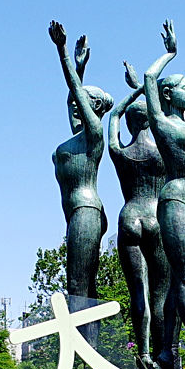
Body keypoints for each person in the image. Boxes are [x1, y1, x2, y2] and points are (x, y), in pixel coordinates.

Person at [138, 17, 185, 369]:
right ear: (169, 95)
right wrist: (170, 53)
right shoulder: (162, 124)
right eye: (181, 87)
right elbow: (150, 80)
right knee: (183, 281)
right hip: (176, 201)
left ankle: (166, 351)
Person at [49, 21, 113, 336]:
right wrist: (79, 68)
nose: (74, 108)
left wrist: (61, 51)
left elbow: (74, 93)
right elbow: (71, 96)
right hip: (78, 215)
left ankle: (83, 360)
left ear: (95, 110)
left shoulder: (94, 135)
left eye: (82, 105)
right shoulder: (76, 139)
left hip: (86, 212)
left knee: (77, 287)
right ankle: (89, 356)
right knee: (84, 289)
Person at [111, 64, 172, 369]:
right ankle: (164, 354)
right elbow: (166, 119)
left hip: (130, 215)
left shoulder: (120, 152)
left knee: (138, 291)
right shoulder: (163, 150)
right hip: (157, 218)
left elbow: (112, 117)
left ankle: (143, 353)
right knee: (161, 291)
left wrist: (133, 92)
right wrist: (145, 89)